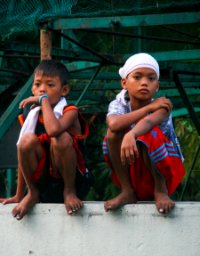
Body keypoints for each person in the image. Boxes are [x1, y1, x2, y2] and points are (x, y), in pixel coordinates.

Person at [0, 59, 90, 219]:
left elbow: (53, 130)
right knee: (26, 140)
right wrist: (19, 194)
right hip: (44, 185)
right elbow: (23, 154)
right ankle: (32, 193)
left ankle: (69, 192)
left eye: (50, 85)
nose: (42, 89)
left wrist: (44, 101)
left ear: (64, 90)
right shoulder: (32, 116)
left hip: (72, 182)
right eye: (37, 84)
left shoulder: (70, 112)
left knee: (61, 137)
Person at [102, 53, 185, 214]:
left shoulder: (162, 105)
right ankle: (127, 191)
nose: (144, 83)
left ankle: (160, 191)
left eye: (151, 79)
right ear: (124, 83)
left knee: (148, 133)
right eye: (137, 77)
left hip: (166, 169)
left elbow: (148, 122)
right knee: (112, 133)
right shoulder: (118, 104)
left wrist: (131, 134)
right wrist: (147, 109)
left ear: (157, 86)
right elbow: (113, 123)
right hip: (135, 168)